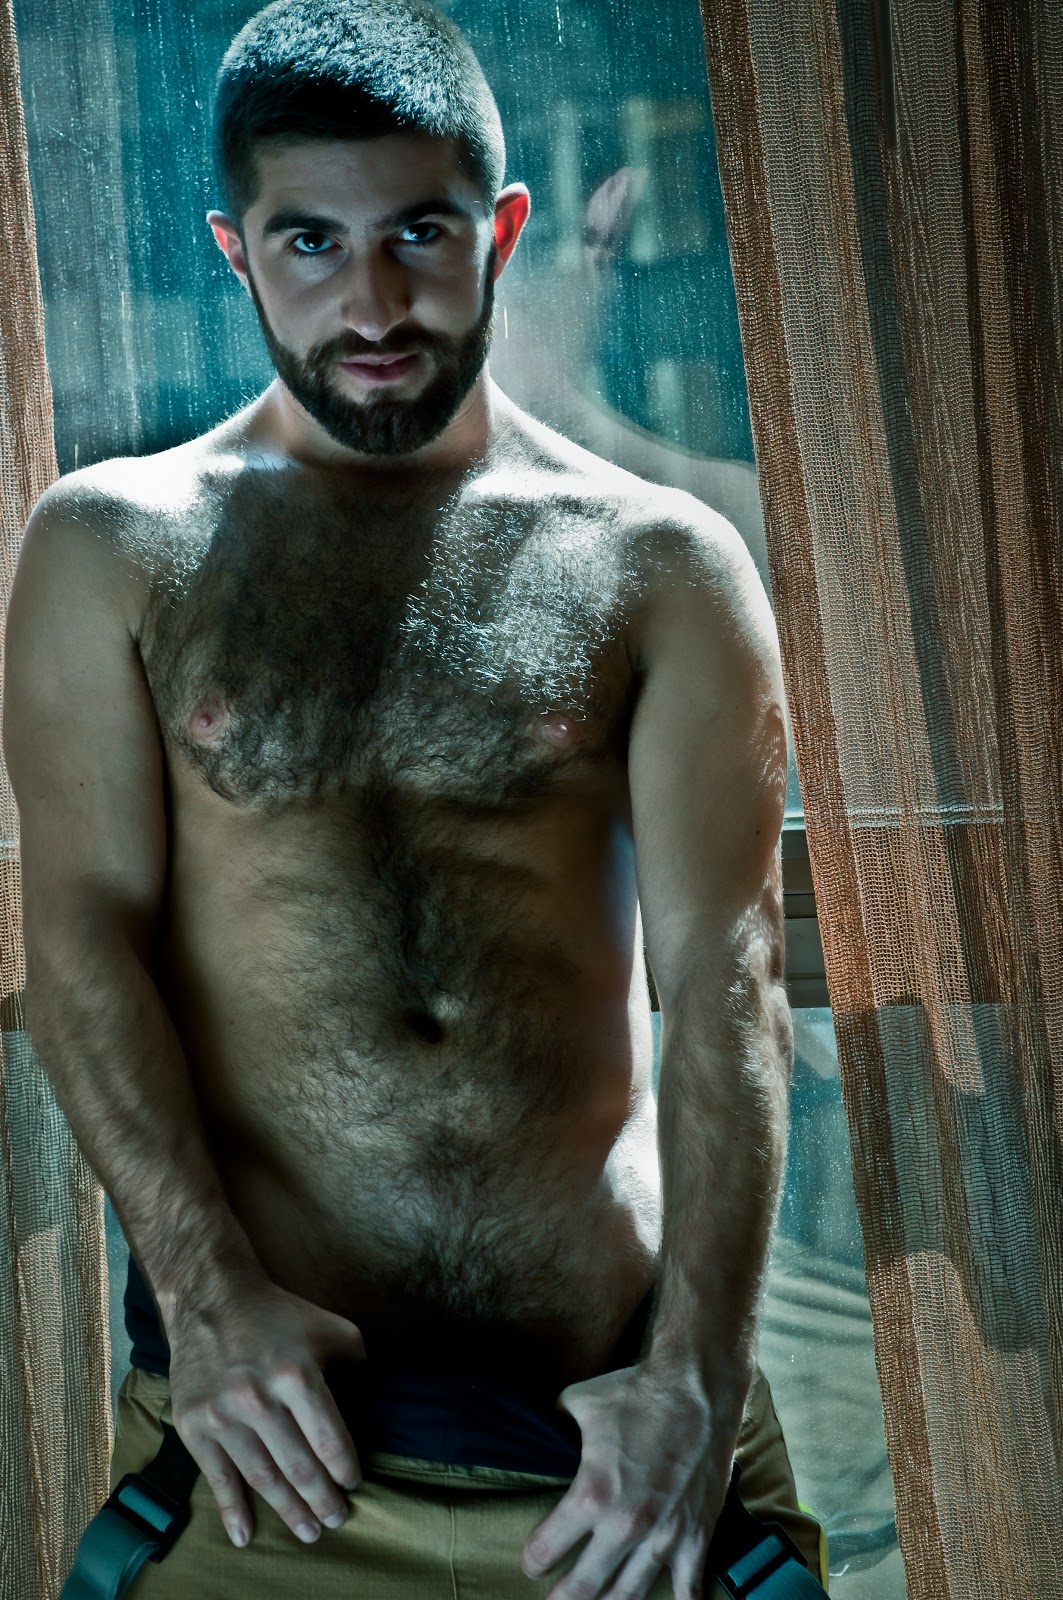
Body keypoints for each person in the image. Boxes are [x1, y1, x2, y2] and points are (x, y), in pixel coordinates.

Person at [3, 1, 823, 1594]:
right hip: (265, 1453)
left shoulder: (661, 561)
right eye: (311, 241)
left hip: (619, 1446)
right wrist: (206, 1297)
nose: (372, 301)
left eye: (420, 235)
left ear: (499, 232)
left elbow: (727, 979)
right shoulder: (114, 547)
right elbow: (81, 938)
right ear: (237, 252)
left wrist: (699, 1381)